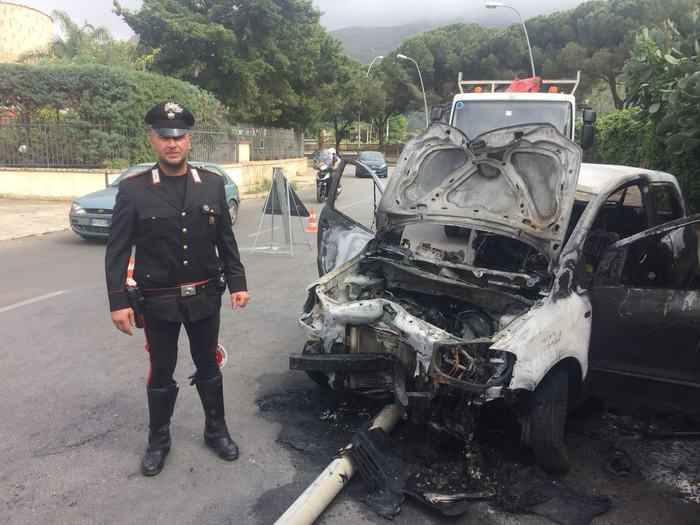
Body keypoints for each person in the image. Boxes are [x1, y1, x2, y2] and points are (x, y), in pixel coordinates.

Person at [105, 101, 250, 476]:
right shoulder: (134, 190)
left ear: (189, 140)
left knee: (208, 366)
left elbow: (225, 240)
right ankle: (159, 441)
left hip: (204, 297)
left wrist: (238, 282)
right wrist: (118, 301)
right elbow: (118, 249)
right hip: (157, 302)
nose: (173, 143)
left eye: (180, 136)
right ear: (153, 140)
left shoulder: (212, 184)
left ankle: (215, 431)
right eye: (165, 137)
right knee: (161, 371)